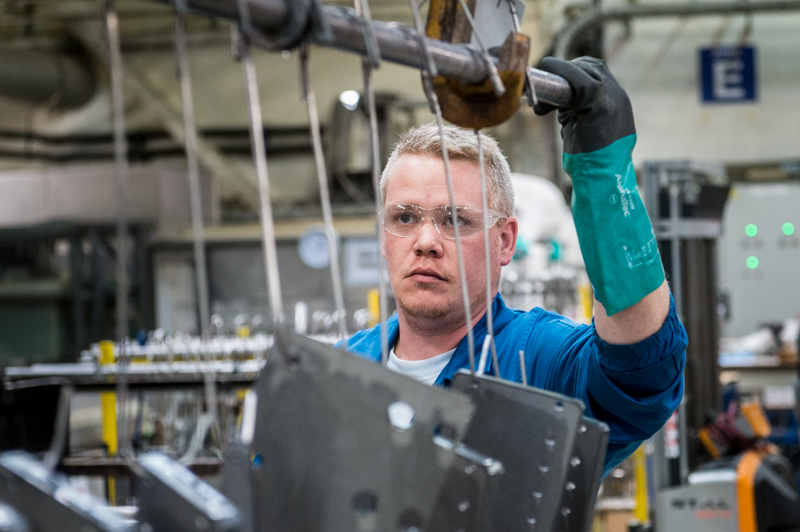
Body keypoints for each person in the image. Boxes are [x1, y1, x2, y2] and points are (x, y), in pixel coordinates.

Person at [340, 57, 688, 475]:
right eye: (405, 218)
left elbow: (642, 368)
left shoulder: (540, 361)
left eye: (456, 220)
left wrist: (602, 166)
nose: (426, 242)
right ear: (383, 237)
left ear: (505, 242)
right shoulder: (341, 369)